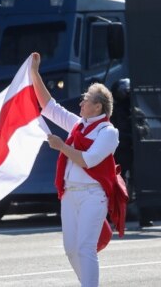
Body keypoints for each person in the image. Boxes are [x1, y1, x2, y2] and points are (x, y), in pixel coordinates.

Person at [30, 52, 125, 287]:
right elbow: (49, 107)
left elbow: (88, 160)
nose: (81, 103)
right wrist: (34, 73)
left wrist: (62, 147)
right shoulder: (77, 127)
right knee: (71, 250)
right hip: (70, 194)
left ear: (97, 107)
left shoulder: (108, 133)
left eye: (85, 100)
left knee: (84, 248)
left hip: (93, 195)